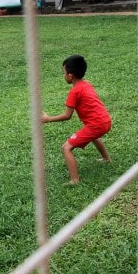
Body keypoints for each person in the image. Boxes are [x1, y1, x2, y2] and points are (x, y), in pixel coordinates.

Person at [41, 54, 112, 185]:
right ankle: (106, 159)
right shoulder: (87, 84)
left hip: (96, 125)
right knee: (93, 136)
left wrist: (47, 119)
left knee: (66, 147)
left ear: (70, 75)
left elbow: (67, 116)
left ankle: (74, 180)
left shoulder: (74, 92)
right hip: (106, 121)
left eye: (64, 72)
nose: (63, 75)